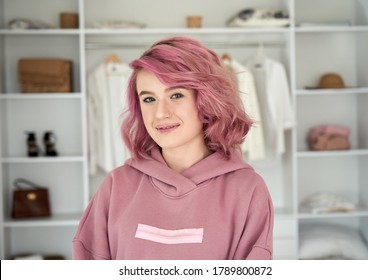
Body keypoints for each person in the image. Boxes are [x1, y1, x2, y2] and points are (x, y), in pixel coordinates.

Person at [72, 36, 274, 260]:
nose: (160, 113)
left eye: (176, 95)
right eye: (149, 100)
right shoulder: (116, 185)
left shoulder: (247, 189)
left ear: (207, 100)